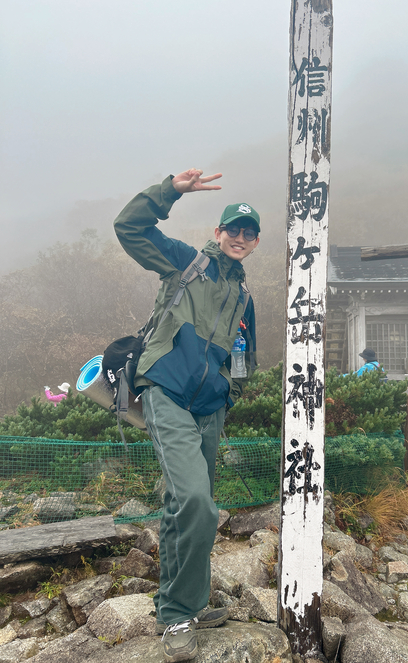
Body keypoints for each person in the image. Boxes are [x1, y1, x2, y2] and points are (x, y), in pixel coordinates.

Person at [114, 168, 259, 663]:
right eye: (232, 230)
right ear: (218, 233)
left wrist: (228, 393)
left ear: (255, 242)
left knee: (186, 504)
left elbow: (242, 359)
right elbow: (128, 228)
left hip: (209, 409)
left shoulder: (245, 296)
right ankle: (177, 610)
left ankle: (183, 604)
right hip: (167, 391)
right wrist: (170, 189)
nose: (239, 238)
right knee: (197, 500)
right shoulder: (187, 263)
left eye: (249, 232)